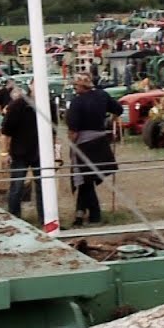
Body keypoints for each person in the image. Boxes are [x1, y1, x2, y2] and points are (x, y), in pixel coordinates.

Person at [65, 73, 122, 228]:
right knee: (87, 182)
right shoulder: (102, 95)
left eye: (76, 85)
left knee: (86, 181)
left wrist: (72, 145)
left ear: (82, 86)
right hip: (100, 143)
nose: (74, 88)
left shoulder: (77, 103)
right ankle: (81, 214)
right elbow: (118, 109)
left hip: (84, 145)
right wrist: (111, 120)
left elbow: (73, 130)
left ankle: (94, 217)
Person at [1, 85, 44, 222]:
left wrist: (55, 152)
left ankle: (46, 219)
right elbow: (6, 132)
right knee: (17, 187)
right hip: (19, 152)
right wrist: (4, 153)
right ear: (31, 87)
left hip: (41, 152)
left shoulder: (47, 104)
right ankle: (15, 219)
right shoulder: (17, 105)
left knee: (43, 187)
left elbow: (53, 132)